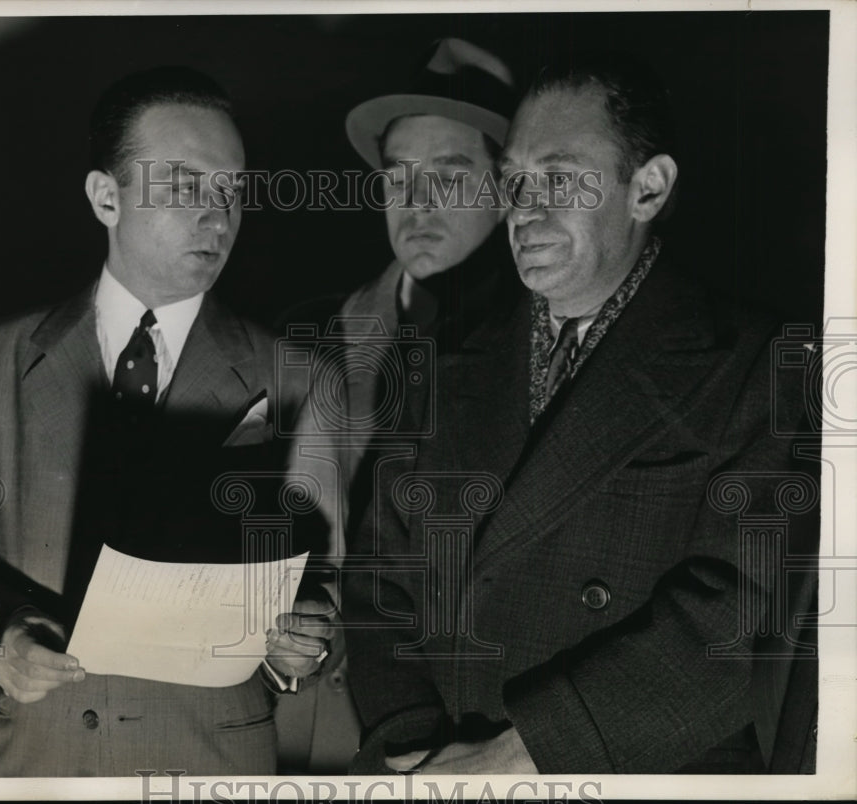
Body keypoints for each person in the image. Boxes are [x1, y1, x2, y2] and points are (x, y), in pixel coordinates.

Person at [343, 53, 815, 774]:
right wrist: (410, 739)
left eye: (559, 178)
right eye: (515, 182)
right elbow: (380, 578)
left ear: (647, 188)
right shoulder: (447, 361)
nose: (525, 212)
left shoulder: (761, 366)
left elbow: (739, 619)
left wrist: (522, 755)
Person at [0, 65, 328, 777]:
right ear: (105, 197)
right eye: (185, 185)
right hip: (32, 762)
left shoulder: (298, 378)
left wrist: (302, 641)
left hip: (207, 764)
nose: (218, 216)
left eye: (232, 190)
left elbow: (328, 577)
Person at [278, 38, 519, 771]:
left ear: (509, 187)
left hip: (485, 741)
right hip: (330, 742)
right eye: (398, 178)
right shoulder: (337, 334)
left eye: (449, 176)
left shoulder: (555, 334)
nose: (415, 205)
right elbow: (301, 553)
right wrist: (292, 641)